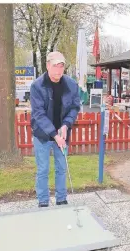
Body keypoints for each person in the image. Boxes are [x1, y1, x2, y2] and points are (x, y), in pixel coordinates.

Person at [30, 51, 81, 207]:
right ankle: (43, 201)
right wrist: (54, 134)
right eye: (55, 66)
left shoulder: (71, 84)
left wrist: (66, 125)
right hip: (43, 134)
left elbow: (74, 107)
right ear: (47, 66)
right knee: (43, 169)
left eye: (61, 66)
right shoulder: (37, 86)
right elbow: (38, 113)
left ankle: (61, 198)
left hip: (62, 133)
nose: (58, 70)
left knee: (61, 167)